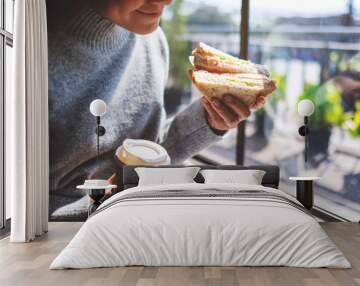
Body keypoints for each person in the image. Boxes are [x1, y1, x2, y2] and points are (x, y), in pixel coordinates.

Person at [47, 0, 267, 220]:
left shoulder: (152, 41)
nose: (167, 1)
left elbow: (148, 152)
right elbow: (22, 217)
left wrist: (209, 121)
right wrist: (108, 202)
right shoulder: (31, 54)